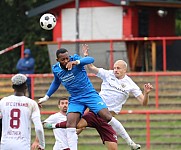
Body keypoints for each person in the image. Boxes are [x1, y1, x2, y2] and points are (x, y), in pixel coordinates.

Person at [38, 47, 141, 150]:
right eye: (63, 60)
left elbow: (90, 60)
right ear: (57, 60)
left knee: (107, 116)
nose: (66, 61)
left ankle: (130, 143)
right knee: (71, 124)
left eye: (67, 58)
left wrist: (76, 62)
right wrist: (46, 97)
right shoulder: (56, 69)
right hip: (76, 99)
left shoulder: (75, 59)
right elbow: (56, 82)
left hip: (89, 95)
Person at [33, 98, 118, 150]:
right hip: (61, 147)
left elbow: (75, 131)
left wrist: (80, 129)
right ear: (59, 106)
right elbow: (41, 125)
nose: (65, 105)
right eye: (62, 103)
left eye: (66, 103)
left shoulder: (75, 118)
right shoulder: (55, 117)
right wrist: (37, 140)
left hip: (71, 145)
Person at [0, 74, 45, 150]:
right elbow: (39, 129)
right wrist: (42, 144)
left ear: (13, 87)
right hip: (22, 144)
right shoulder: (31, 103)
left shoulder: (3, 101)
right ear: (26, 87)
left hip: (5, 144)